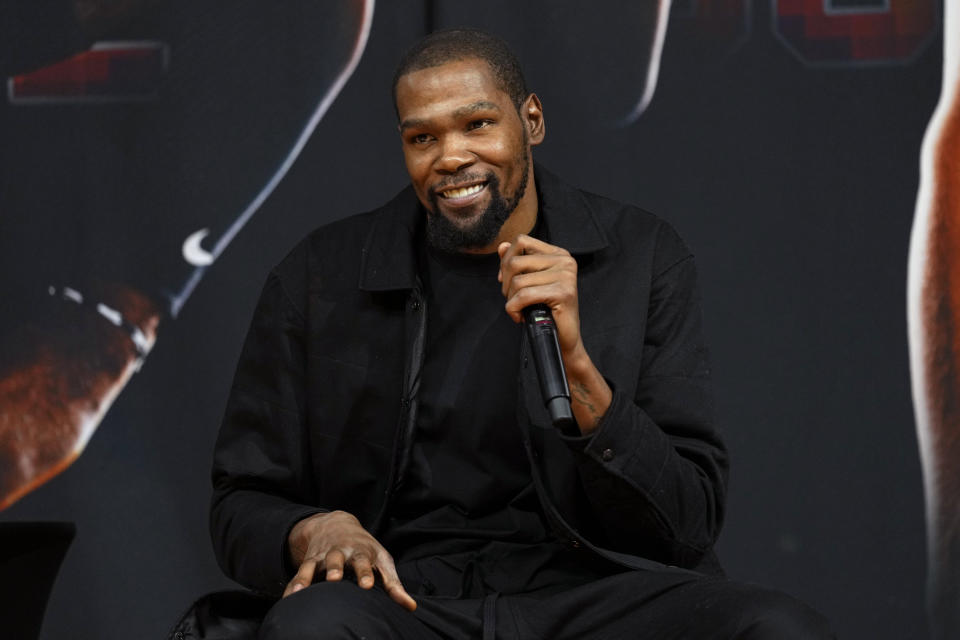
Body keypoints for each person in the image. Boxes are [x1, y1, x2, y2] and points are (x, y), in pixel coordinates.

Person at [210, 28, 834, 639]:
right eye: (423, 137)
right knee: (312, 626)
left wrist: (580, 370)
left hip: (592, 586)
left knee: (779, 627)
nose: (451, 156)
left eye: (477, 124)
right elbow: (242, 501)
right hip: (407, 595)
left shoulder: (640, 257)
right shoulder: (321, 276)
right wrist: (314, 529)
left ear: (530, 120)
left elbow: (688, 523)